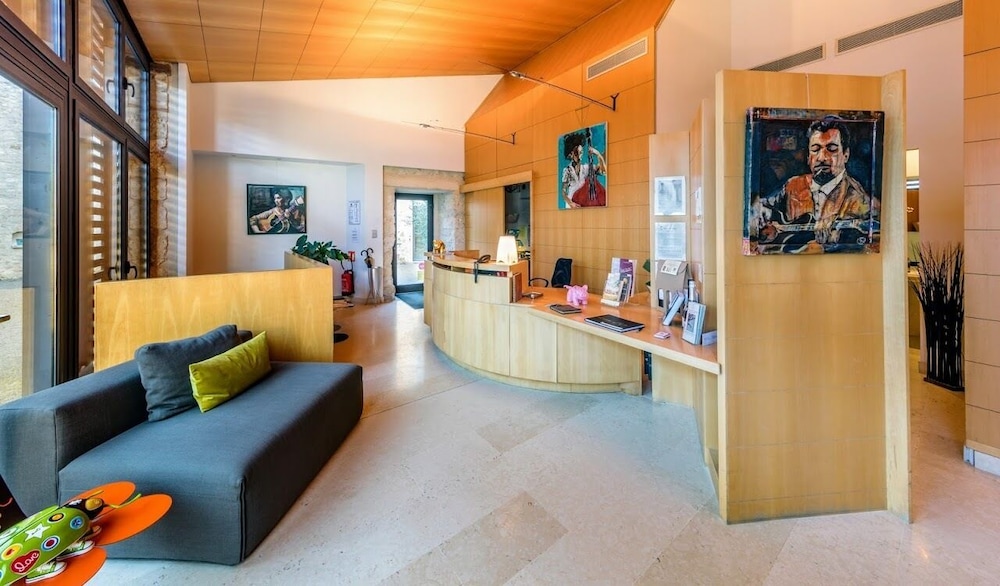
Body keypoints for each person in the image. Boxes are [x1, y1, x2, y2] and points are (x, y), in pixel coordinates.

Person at [751, 115, 879, 252]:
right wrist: (759, 212)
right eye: (815, 149)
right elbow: (758, 209)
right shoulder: (793, 185)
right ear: (808, 157)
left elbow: (870, 245)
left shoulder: (861, 202)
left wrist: (837, 241)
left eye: (832, 149)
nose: (822, 157)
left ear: (846, 155)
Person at [560, 130, 607, 208]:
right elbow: (563, 191)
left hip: (582, 203)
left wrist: (598, 155)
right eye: (576, 153)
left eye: (581, 152)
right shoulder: (567, 171)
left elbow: (603, 171)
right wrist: (570, 203)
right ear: (570, 155)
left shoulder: (585, 168)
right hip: (571, 204)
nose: (579, 155)